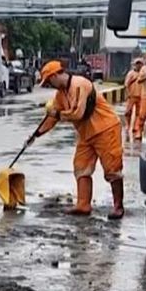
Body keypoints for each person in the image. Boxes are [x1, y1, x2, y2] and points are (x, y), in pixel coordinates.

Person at [30, 60, 126, 219]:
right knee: (81, 167)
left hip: (106, 129)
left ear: (55, 75)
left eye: (49, 81)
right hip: (86, 134)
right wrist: (36, 134)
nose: (49, 85)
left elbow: (78, 113)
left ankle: (118, 207)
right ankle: (83, 205)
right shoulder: (60, 95)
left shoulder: (80, 85)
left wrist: (57, 114)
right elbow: (51, 118)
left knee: (112, 170)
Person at [124, 59, 145, 141]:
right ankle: (128, 125)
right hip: (132, 95)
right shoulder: (131, 73)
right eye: (137, 64)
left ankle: (136, 127)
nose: (139, 66)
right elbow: (126, 84)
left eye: (140, 64)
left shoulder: (143, 74)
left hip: (141, 96)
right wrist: (128, 93)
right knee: (128, 112)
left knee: (139, 113)